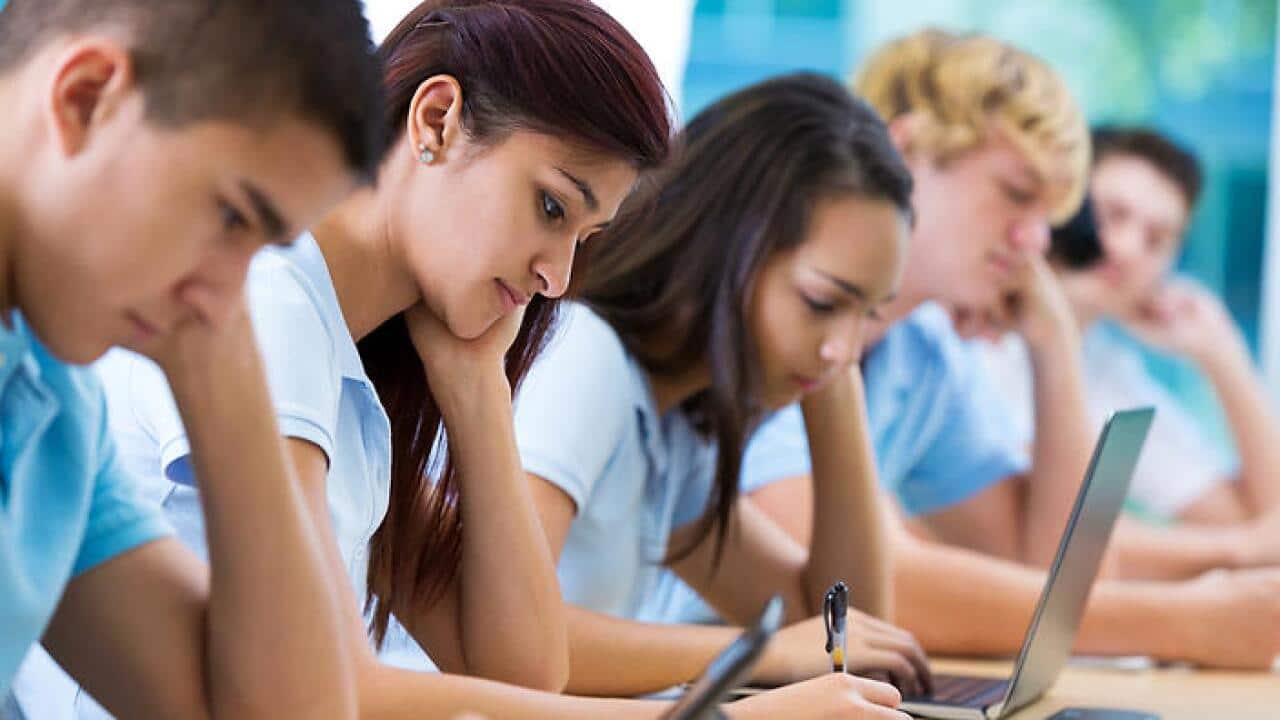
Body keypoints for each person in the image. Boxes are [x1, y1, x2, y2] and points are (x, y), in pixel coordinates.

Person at [658, 29, 1280, 672]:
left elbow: (1048, 570)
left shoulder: (923, 355)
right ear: (903, 155)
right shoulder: (787, 320)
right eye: (1016, 193)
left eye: (1048, 212)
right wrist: (1182, 623)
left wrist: (1054, 345)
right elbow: (869, 598)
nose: (1035, 238)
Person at [0, 0, 387, 717]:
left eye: (264, 254)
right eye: (233, 217)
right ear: (86, 98)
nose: (226, 301)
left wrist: (222, 363)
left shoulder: (53, 411)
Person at [515, 71, 926, 715]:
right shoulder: (585, 356)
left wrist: (833, 385)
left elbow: (843, 635)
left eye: (868, 314)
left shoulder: (673, 423)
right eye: (822, 301)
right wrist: (749, 653)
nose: (844, 346)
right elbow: (504, 635)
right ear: (724, 243)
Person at [977, 126, 1280, 581]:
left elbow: (1261, 524)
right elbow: (1034, 531)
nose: (1126, 249)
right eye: (1112, 215)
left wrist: (1223, 356)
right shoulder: (970, 339)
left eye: (1157, 240)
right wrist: (1238, 551)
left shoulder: (1111, 376)